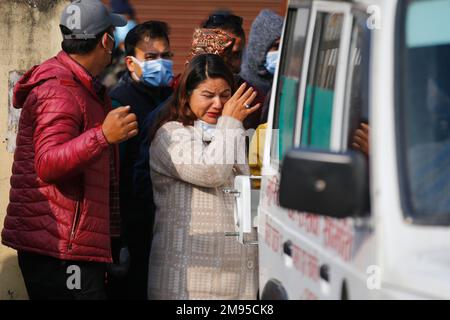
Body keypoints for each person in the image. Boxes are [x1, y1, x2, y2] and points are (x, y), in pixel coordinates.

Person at [1, 0, 138, 300]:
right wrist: (102, 136)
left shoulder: (82, 86)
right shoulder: (61, 90)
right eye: (113, 35)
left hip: (69, 244)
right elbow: (48, 163)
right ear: (105, 40)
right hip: (60, 250)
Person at [147, 54, 260, 299]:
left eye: (225, 95)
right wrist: (231, 122)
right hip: (187, 287)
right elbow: (211, 171)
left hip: (236, 281)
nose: (218, 104)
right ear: (186, 96)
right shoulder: (170, 135)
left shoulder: (230, 133)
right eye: (208, 96)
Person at [107, 20, 174, 300]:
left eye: (165, 56)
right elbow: (115, 173)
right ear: (131, 63)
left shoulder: (173, 98)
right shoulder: (119, 103)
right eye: (151, 57)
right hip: (134, 227)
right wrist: (118, 239)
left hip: (165, 220)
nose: (161, 63)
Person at [240, 9, 283, 129]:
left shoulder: (280, 83)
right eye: (276, 46)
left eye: (284, 46)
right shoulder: (242, 86)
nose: (281, 52)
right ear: (259, 48)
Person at [101, 0, 138, 89]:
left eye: (129, 19)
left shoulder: (140, 53)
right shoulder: (104, 53)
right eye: (121, 20)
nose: (127, 23)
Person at [202, 10, 246, 75]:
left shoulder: (249, 84)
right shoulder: (186, 83)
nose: (229, 61)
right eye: (223, 53)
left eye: (236, 54)